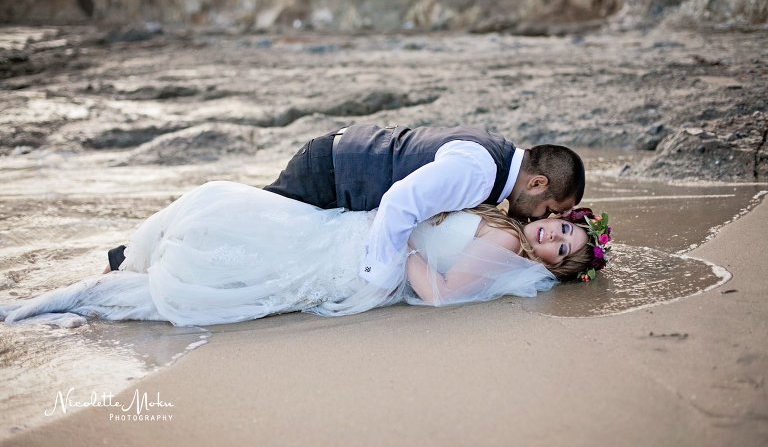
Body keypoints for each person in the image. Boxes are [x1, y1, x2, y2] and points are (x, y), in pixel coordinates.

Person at [1, 181, 612, 327]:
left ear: (552, 266)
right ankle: (53, 303)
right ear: (557, 215)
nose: (552, 237)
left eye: (562, 248)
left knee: (228, 234)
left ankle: (44, 305)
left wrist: (399, 248)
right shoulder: (504, 217)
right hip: (350, 231)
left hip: (356, 257)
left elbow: (441, 293)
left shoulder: (506, 245)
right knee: (230, 228)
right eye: (563, 229)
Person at [104, 125, 587, 291]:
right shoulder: (479, 171)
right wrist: (379, 271)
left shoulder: (493, 155)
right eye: (546, 206)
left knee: (250, 225)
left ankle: (131, 256)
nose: (539, 218)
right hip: (334, 170)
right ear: (538, 181)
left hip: (343, 160)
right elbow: (399, 202)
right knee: (247, 226)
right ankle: (127, 261)